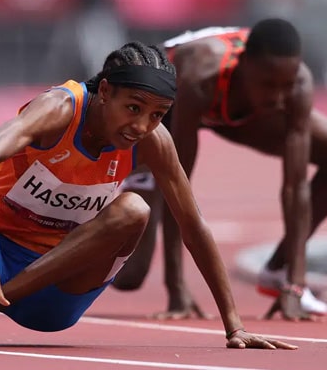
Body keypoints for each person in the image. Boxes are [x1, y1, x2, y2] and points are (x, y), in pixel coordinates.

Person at [0, 42, 296, 350]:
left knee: (134, 209)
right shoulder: (58, 109)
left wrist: (234, 325)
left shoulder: (153, 141)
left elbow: (194, 225)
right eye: (133, 108)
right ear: (104, 92)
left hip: (59, 291)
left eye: (156, 115)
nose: (141, 126)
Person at [112, 19, 327, 320]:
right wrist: (176, 287)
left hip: (234, 109)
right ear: (244, 66)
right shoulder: (201, 77)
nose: (279, 97)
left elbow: (295, 187)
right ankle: (90, 215)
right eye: (268, 84)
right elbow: (179, 184)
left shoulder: (297, 85)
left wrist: (296, 284)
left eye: (285, 86)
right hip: (164, 113)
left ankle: (279, 271)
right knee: (130, 275)